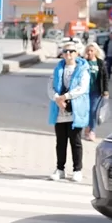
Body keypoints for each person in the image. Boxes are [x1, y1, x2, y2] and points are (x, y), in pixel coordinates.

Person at [47, 42, 90, 182]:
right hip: (59, 110)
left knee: (75, 141)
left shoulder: (83, 69)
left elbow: (82, 88)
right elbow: (50, 87)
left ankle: (77, 170)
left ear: (77, 53)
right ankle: (60, 169)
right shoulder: (58, 68)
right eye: (65, 51)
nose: (68, 54)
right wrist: (57, 99)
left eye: (71, 51)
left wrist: (65, 97)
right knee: (60, 142)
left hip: (76, 110)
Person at [83, 42, 109, 142]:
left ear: (95, 52)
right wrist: (84, 59)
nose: (89, 52)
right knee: (85, 111)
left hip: (96, 91)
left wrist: (105, 90)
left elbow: (105, 77)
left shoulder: (100, 63)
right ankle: (86, 129)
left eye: (91, 50)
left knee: (93, 111)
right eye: (87, 50)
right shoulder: (83, 62)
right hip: (84, 92)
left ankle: (92, 131)